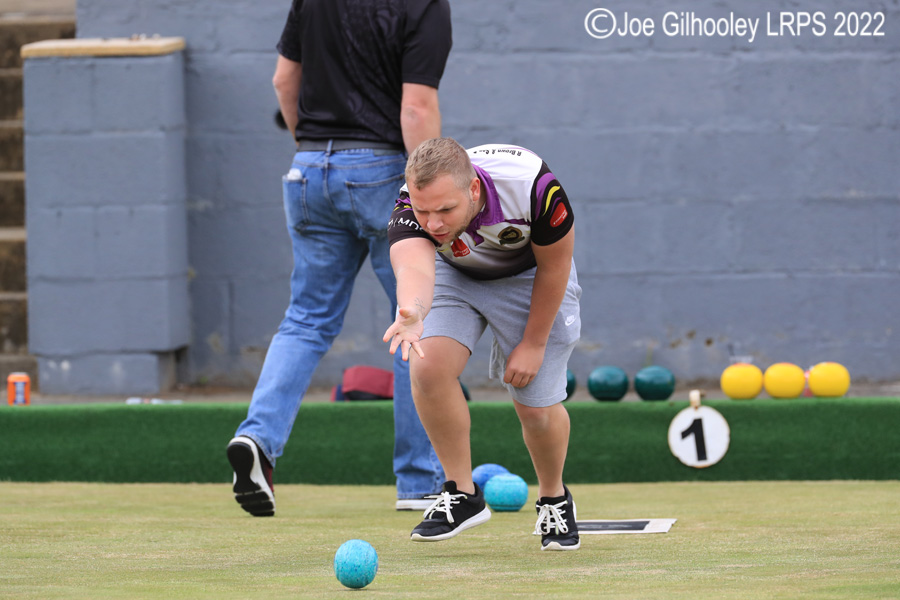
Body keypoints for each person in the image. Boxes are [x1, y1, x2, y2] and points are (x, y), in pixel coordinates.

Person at [226, 0, 452, 517]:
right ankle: (420, 480)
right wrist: (426, 198)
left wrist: (312, 152)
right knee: (417, 318)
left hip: (307, 169)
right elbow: (416, 108)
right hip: (382, 170)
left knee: (305, 320)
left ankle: (257, 439)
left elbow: (285, 81)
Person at [383, 137, 582, 551]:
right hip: (457, 275)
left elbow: (556, 265)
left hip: (531, 277)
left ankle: (553, 496)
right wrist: (414, 311)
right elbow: (415, 266)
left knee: (535, 408)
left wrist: (533, 342)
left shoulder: (535, 190)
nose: (433, 222)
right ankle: (462, 493)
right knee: (428, 366)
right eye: (424, 211)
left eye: (444, 210)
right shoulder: (411, 205)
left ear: (473, 190)